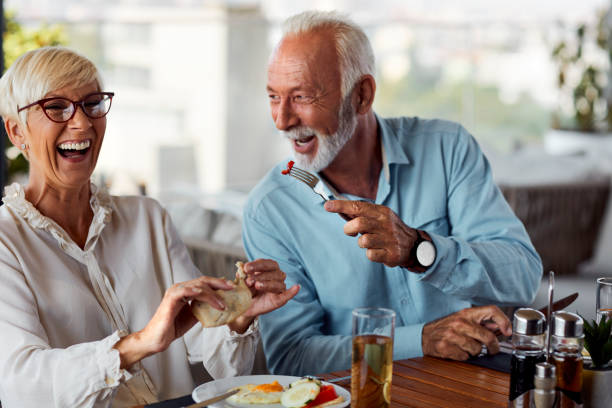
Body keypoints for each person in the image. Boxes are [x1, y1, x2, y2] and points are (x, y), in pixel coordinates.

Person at [242, 10, 542, 376]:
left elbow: (524, 276)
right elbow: (292, 359)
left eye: (302, 96)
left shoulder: (447, 148)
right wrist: (423, 340)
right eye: (274, 97)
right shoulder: (269, 210)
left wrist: (420, 249)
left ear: (362, 95)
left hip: (473, 384)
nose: (282, 120)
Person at [0, 46, 299, 408]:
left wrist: (237, 314)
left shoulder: (148, 218)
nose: (81, 123)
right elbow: (20, 385)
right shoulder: (7, 241)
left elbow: (214, 350)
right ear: (17, 131)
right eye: (57, 107)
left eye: (92, 103)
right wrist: (140, 343)